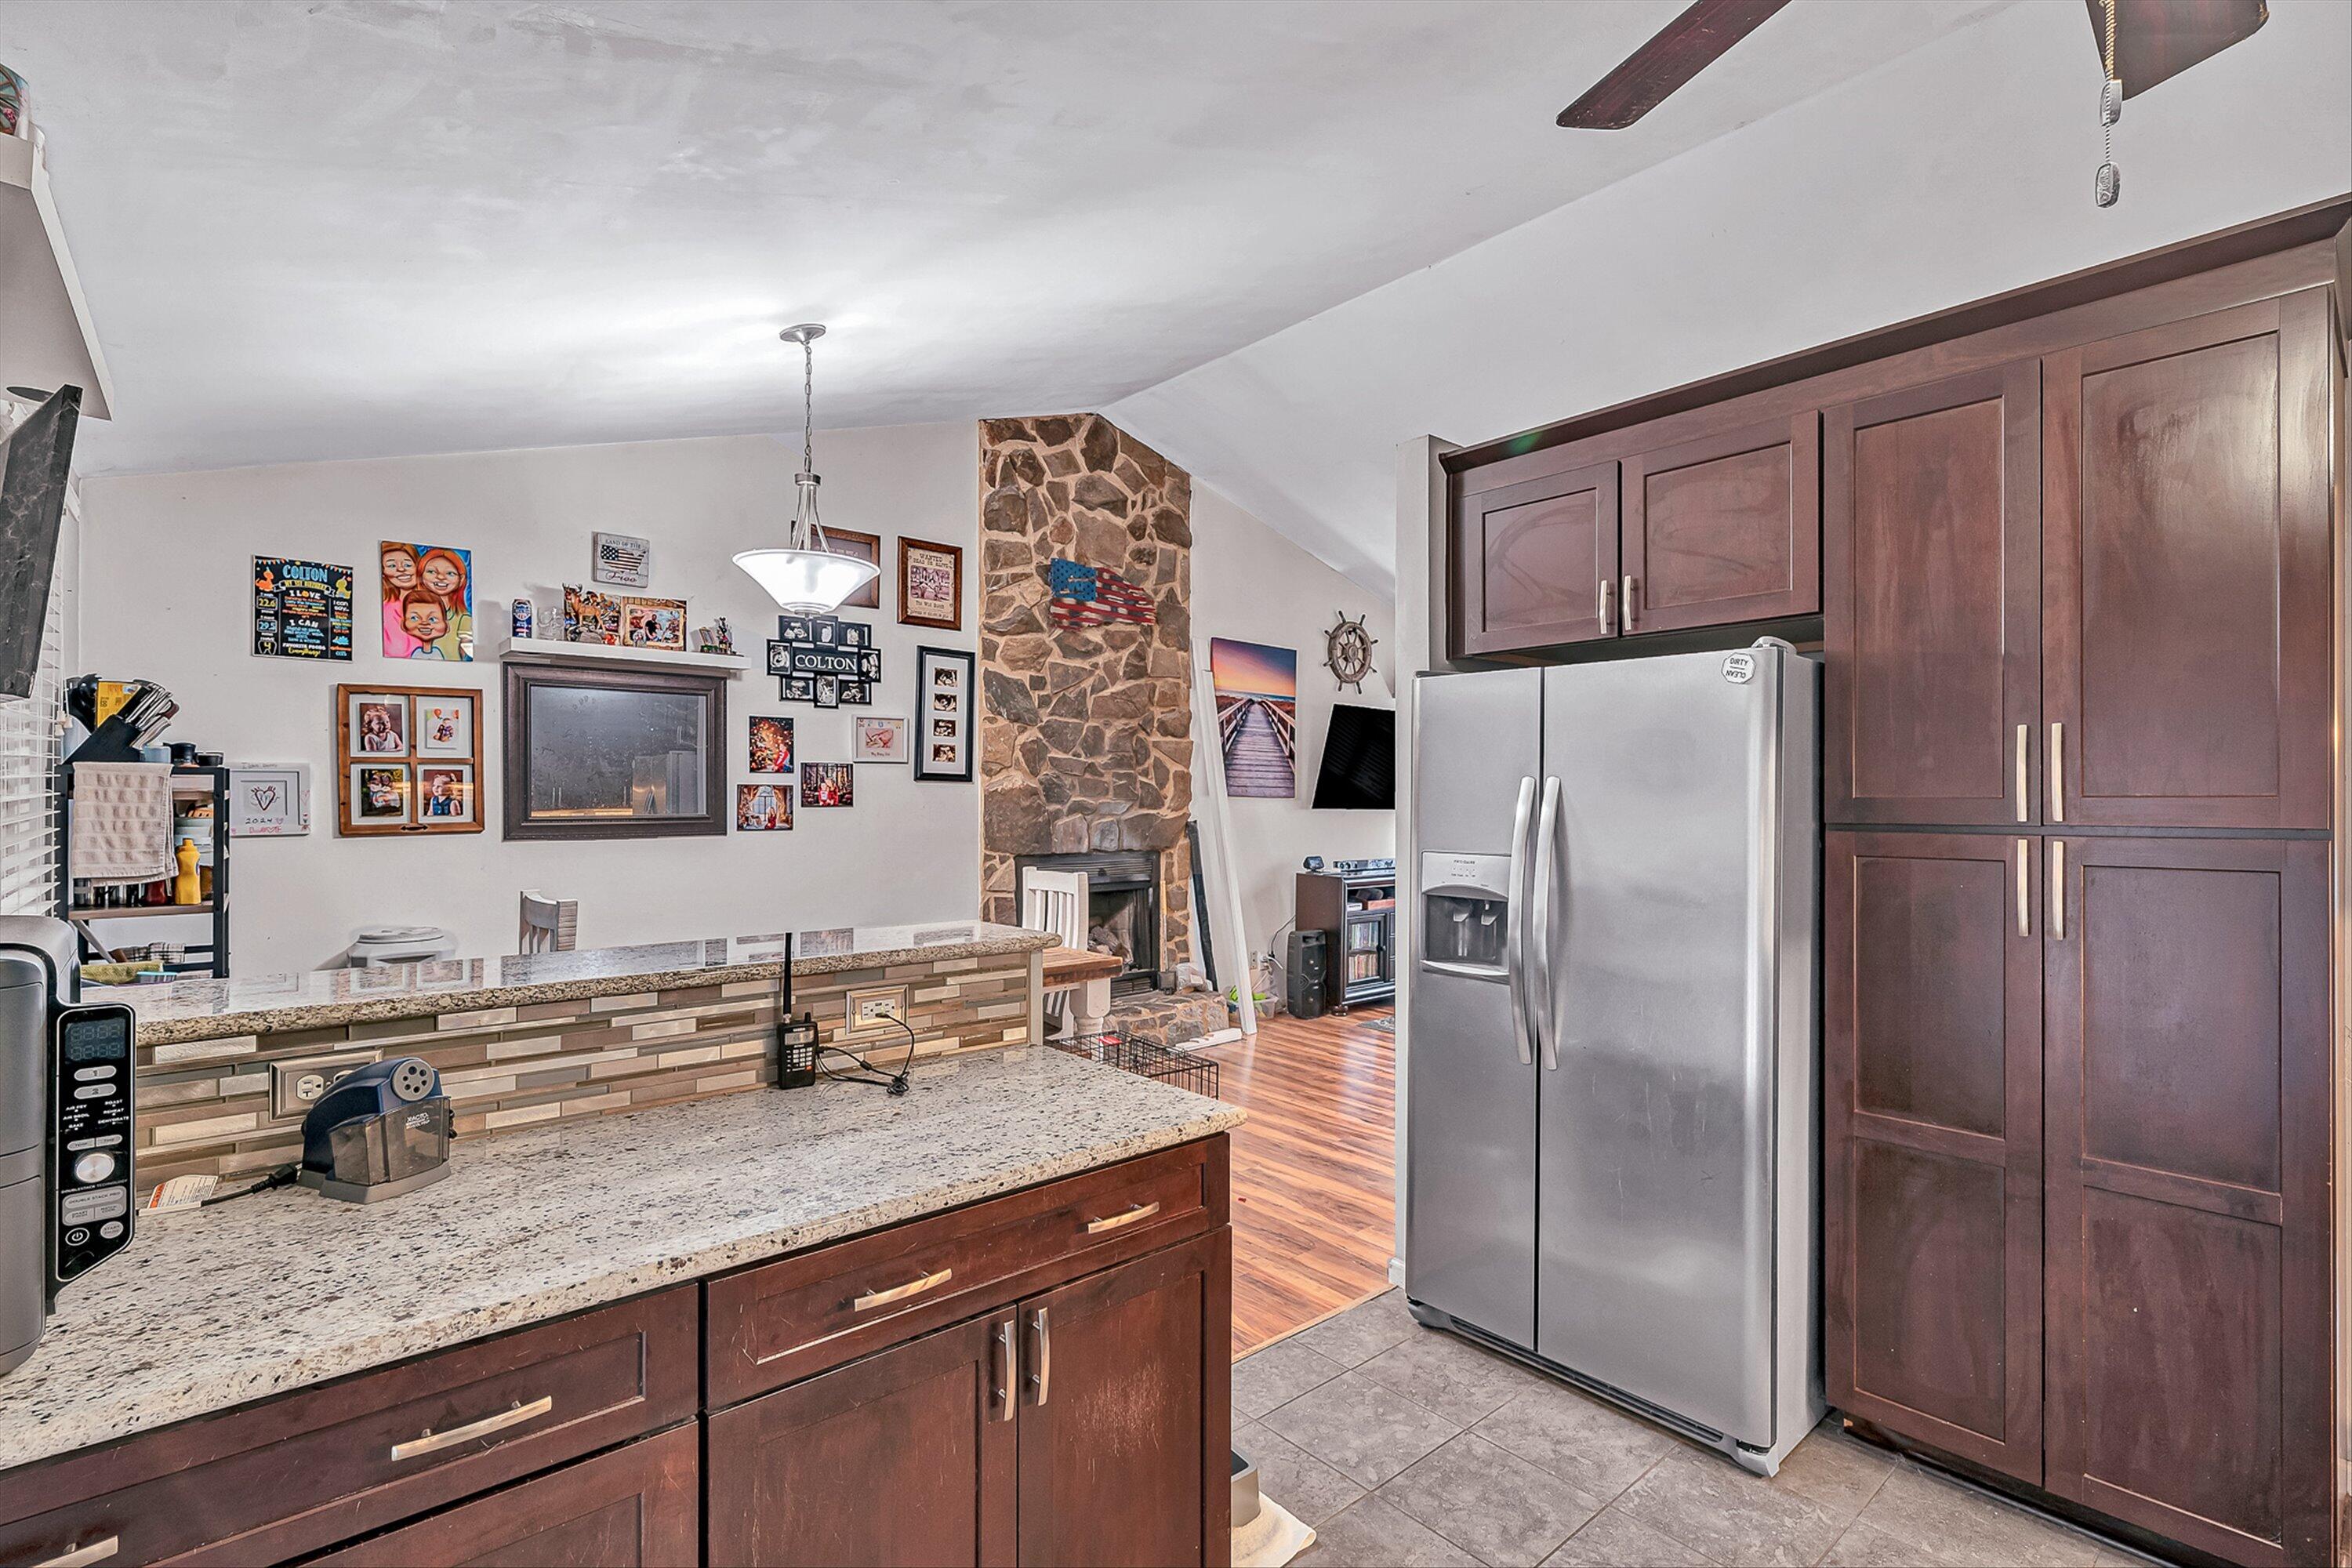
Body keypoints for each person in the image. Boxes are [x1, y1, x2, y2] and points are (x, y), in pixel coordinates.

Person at [417, 548, 474, 660]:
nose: (441, 577)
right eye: (432, 572)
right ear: (421, 575)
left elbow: (465, 652)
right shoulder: (414, 613)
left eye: (450, 573)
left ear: (461, 579)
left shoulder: (462, 617)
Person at [380, 544, 423, 658]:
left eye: (408, 564)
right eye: (392, 565)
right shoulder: (386, 610)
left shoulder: (434, 604)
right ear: (384, 574)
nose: (401, 569)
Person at [401, 592, 452, 658]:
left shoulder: (437, 654)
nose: (424, 623)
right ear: (403, 624)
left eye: (432, 619)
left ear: (447, 625)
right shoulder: (415, 653)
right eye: (415, 618)